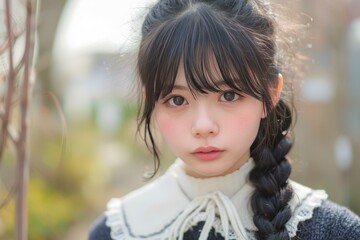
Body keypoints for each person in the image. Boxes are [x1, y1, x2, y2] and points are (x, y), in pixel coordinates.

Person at [89, 0, 360, 239]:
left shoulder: (333, 230)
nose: (204, 126)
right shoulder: (120, 231)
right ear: (151, 102)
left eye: (229, 95)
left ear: (270, 94)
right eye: (178, 100)